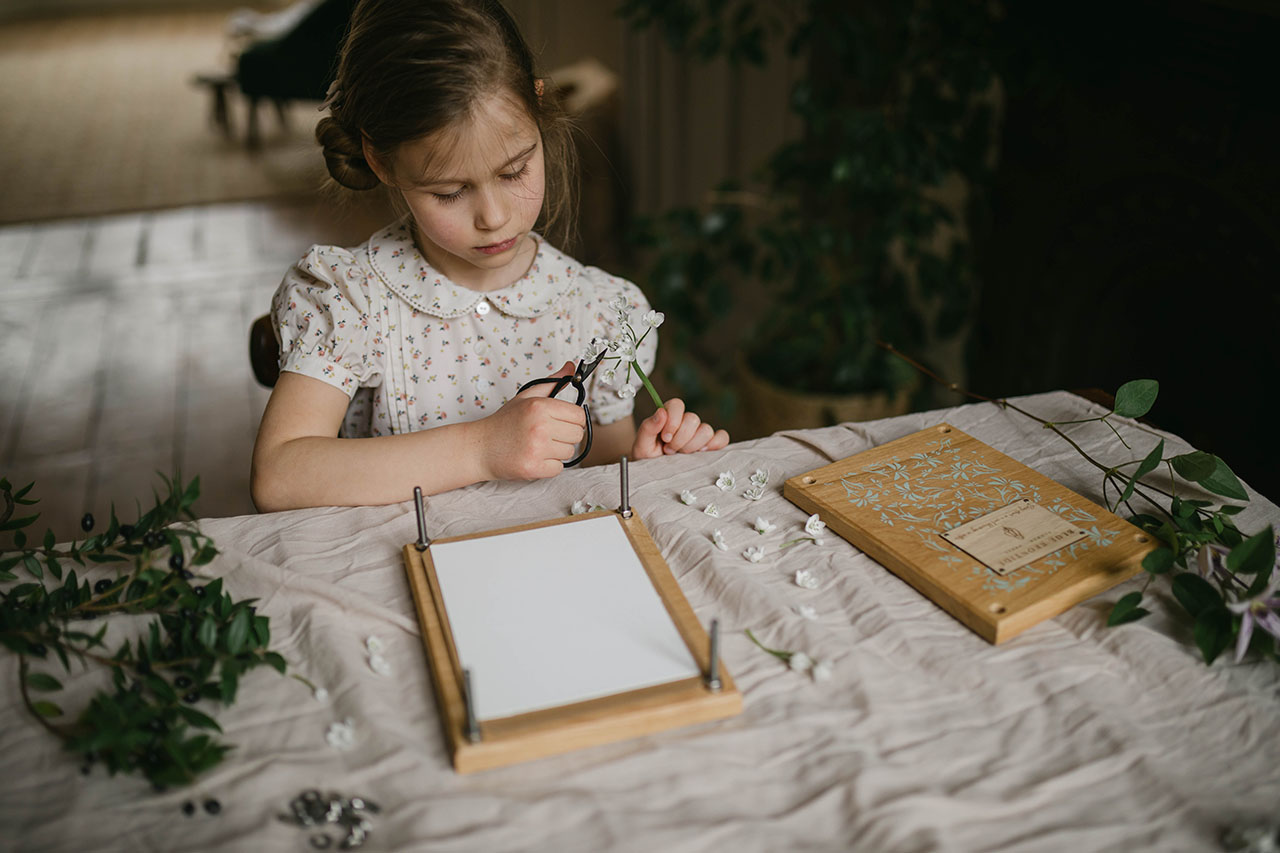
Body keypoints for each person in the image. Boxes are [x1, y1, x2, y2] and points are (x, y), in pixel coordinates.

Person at [251, 0, 729, 512]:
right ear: (380, 160)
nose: (494, 217)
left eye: (514, 171)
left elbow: (597, 477)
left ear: (538, 109)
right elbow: (279, 478)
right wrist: (483, 447)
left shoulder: (601, 311)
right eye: (450, 191)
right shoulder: (350, 299)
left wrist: (646, 464)